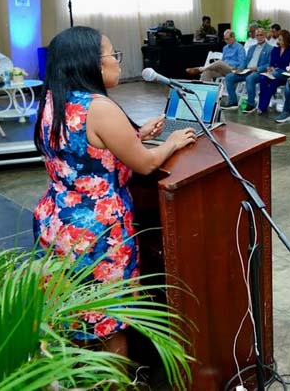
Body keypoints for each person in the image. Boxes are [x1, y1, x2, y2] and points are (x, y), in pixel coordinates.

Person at [33, 27, 196, 349]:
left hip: (56, 221)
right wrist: (172, 142)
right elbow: (147, 165)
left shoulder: (52, 99)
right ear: (91, 63)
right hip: (98, 232)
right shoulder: (100, 108)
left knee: (75, 310)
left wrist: (136, 136)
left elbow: (82, 154)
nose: (118, 63)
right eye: (113, 55)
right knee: (110, 320)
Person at [222, 28, 272, 109]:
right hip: (247, 70)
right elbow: (245, 60)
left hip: (259, 72)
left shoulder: (270, 48)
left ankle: (251, 104)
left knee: (250, 78)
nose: (259, 37)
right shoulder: (252, 48)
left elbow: (269, 64)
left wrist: (257, 68)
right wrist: (241, 68)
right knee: (229, 77)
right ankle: (233, 101)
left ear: (265, 35)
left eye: (261, 35)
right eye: (257, 35)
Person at [254, 30, 290, 114]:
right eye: (279, 39)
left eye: (281, 40)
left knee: (273, 83)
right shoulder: (275, 49)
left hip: (283, 74)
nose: (279, 41)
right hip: (273, 72)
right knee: (263, 79)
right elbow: (271, 63)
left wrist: (276, 69)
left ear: (287, 40)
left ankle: (262, 107)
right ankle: (262, 105)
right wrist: (270, 68)